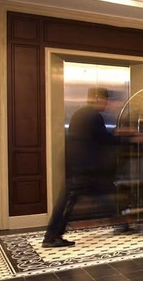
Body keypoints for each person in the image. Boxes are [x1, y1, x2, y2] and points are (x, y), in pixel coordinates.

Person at [43, 87, 121, 247]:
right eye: (105, 100)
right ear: (99, 99)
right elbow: (104, 139)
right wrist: (123, 136)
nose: (106, 104)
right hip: (81, 167)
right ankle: (51, 236)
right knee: (69, 201)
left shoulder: (80, 113)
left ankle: (121, 223)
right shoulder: (93, 116)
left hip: (78, 166)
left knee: (99, 193)